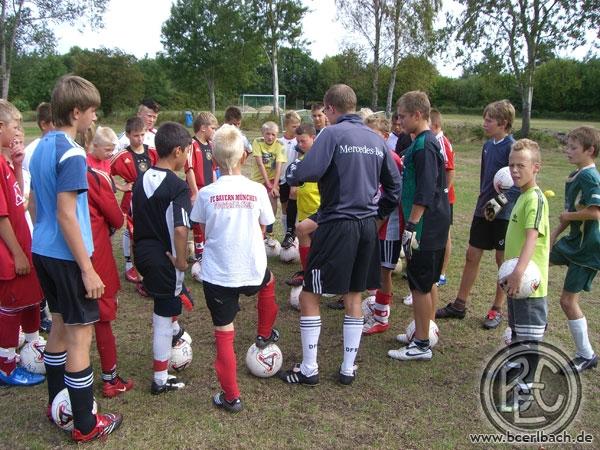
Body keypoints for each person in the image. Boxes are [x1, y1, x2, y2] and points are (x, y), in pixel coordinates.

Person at [279, 84, 401, 386]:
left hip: (336, 225)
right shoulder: (375, 138)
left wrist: (292, 174)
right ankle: (348, 368)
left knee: (310, 293)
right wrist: (377, 216)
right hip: (365, 227)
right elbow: (394, 186)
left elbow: (309, 171)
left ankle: (309, 368)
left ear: (330, 108)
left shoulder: (331, 134)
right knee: (354, 295)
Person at [30, 75, 122, 442]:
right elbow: (67, 212)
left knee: (58, 324)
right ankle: (85, 423)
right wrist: (88, 269)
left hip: (43, 250)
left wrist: (45, 236)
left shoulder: (41, 147)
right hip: (69, 257)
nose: (95, 118)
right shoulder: (71, 153)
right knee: (79, 337)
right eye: (93, 111)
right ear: (75, 112)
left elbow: (37, 204)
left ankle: (58, 404)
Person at [190, 124, 279, 413]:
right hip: (252, 270)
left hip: (219, 275)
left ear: (213, 161)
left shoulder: (205, 193)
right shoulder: (256, 190)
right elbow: (266, 222)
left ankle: (231, 397)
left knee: (223, 332)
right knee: (268, 282)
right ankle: (264, 333)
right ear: (244, 157)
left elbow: (201, 225)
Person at [436, 100, 518, 329]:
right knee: (472, 254)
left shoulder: (513, 147)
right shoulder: (488, 145)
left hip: (503, 214)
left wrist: (498, 204)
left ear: (503, 123)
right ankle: (459, 305)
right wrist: (484, 203)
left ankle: (497, 308)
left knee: (502, 261)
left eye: (489, 120)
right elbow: (486, 178)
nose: (485, 123)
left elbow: (517, 185)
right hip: (483, 210)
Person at [131, 122, 194, 395]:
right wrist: (181, 261)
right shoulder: (177, 186)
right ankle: (160, 379)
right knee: (162, 315)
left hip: (142, 254)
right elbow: (180, 229)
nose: (189, 157)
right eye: (188, 151)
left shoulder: (140, 178)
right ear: (178, 151)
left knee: (165, 307)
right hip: (164, 259)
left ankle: (177, 331)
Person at [387, 91, 450, 361]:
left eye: (402, 116)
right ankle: (425, 330)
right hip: (431, 222)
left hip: (425, 225)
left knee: (420, 284)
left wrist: (412, 223)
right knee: (425, 281)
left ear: (417, 115)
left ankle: (421, 343)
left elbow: (425, 189)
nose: (398, 121)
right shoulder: (422, 141)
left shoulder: (424, 145)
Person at [497, 138, 549, 410]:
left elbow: (532, 237)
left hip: (530, 286)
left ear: (536, 167)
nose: (515, 170)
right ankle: (515, 373)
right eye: (511, 165)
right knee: (517, 333)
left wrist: (518, 273)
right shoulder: (522, 196)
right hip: (517, 283)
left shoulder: (536, 199)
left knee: (529, 341)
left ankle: (525, 393)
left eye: (521, 166)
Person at [85, 126, 134, 397]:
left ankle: (68, 383)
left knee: (70, 319)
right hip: (94, 248)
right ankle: (110, 379)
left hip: (65, 249)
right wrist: (113, 222)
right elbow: (115, 216)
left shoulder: (74, 163)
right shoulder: (94, 173)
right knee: (102, 315)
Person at [0, 100, 45, 387]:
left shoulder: (4, 161)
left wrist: (17, 165)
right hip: (9, 250)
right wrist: (16, 253)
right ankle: (5, 364)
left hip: (22, 243)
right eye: (15, 126)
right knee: (11, 305)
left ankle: (32, 343)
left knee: (31, 296)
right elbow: (2, 216)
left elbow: (17, 195)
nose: (19, 132)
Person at [550, 126, 600, 372]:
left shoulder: (590, 178)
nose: (567, 151)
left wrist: (568, 215)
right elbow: (569, 217)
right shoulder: (576, 174)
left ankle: (586, 354)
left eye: (573, 148)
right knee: (536, 261)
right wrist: (553, 236)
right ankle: (528, 323)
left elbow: (595, 212)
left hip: (588, 249)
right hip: (573, 242)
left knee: (568, 302)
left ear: (590, 150)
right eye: (567, 146)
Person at [362, 114, 404, 335]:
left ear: (386, 136)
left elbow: (393, 195)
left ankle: (381, 317)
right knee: (376, 267)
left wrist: (380, 221)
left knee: (385, 270)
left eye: (373, 135)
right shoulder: (370, 156)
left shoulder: (392, 158)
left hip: (390, 224)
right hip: (374, 221)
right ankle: (376, 306)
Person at [110, 116, 158, 290]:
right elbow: (103, 171)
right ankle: (129, 264)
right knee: (131, 231)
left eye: (142, 135)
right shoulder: (122, 156)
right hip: (132, 200)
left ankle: (147, 262)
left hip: (150, 199)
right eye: (136, 135)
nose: (140, 139)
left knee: (148, 230)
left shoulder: (152, 152)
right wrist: (122, 186)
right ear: (128, 135)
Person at [22, 102, 54, 333]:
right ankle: (40, 311)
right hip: (40, 219)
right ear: (43, 124)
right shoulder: (33, 151)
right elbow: (29, 191)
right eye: (56, 123)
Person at [285, 124, 319, 288]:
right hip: (305, 212)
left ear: (313, 138)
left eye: (303, 141)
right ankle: (307, 272)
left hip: (320, 212)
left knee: (321, 248)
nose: (300, 144)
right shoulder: (300, 162)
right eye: (297, 141)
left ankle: (315, 277)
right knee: (308, 244)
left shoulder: (322, 160)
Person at [185, 112, 218, 263]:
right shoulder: (191, 144)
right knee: (198, 222)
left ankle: (207, 250)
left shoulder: (210, 145)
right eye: (213, 128)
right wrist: (195, 192)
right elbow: (189, 168)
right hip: (197, 190)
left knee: (209, 220)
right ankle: (199, 253)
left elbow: (212, 169)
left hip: (209, 189)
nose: (215, 131)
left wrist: (216, 187)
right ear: (203, 128)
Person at [251, 121, 286, 247]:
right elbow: (260, 164)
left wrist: (274, 185)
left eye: (273, 134)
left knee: (272, 200)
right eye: (267, 134)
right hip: (258, 180)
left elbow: (279, 166)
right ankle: (257, 232)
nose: (270, 137)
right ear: (262, 134)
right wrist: (268, 184)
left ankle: (269, 233)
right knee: (257, 206)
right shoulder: (257, 142)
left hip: (273, 179)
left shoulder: (280, 145)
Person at [430, 109, 455, 287]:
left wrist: (443, 193)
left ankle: (441, 273)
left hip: (443, 200)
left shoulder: (441, 142)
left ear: (436, 126)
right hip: (436, 198)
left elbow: (450, 170)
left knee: (444, 235)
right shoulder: (433, 140)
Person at [279, 111, 301, 248]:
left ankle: (294, 235)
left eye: (298, 126)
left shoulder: (299, 141)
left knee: (296, 207)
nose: (297, 129)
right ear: (286, 126)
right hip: (282, 180)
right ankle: (286, 234)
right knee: (284, 208)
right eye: (294, 126)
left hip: (295, 180)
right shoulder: (279, 142)